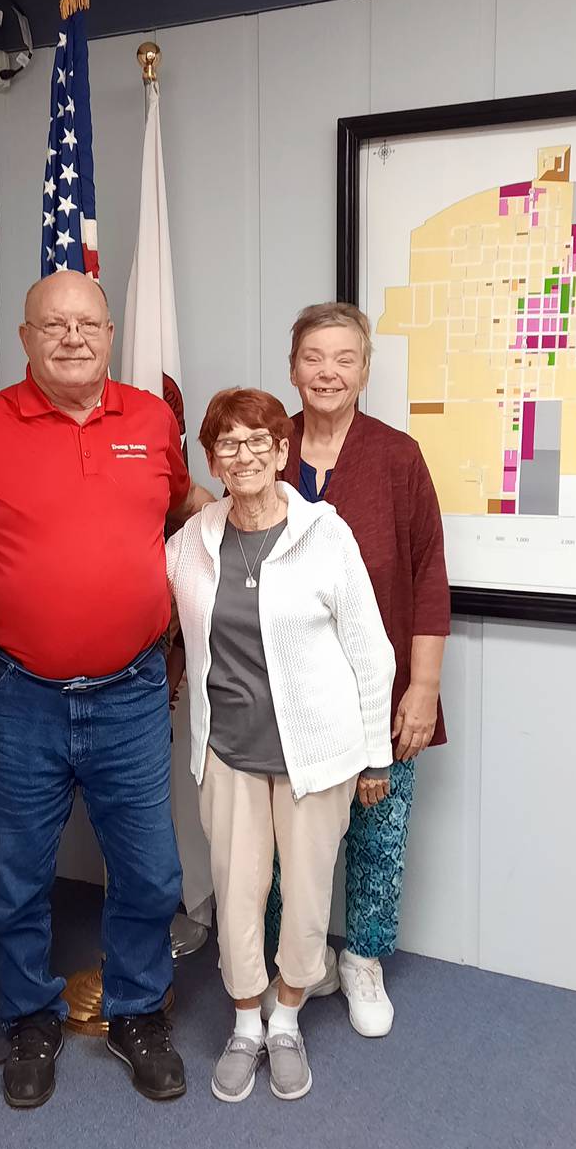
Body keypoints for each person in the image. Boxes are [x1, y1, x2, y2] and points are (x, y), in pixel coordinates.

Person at [0, 270, 212, 1107]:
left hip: (129, 691)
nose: (73, 338)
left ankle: (134, 1012)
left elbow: (181, 504)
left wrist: (254, 507)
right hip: (21, 695)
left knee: (153, 873)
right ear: (25, 340)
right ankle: (28, 1019)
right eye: (53, 326)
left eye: (88, 323)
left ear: (111, 332)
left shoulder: (153, 418)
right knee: (15, 877)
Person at [166, 388, 395, 1103]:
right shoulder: (192, 543)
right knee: (237, 894)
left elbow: (370, 650)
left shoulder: (325, 535)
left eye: (259, 441)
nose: (245, 456)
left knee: (304, 896)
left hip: (316, 759)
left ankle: (288, 1019)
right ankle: (244, 1024)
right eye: (228, 444)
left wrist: (375, 754)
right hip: (228, 753)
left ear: (282, 451)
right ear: (211, 458)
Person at [274, 302, 450, 1037]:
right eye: (314, 356)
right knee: (293, 841)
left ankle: (364, 961)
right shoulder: (266, 445)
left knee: (378, 835)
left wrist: (424, 685)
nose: (328, 372)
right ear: (293, 367)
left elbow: (429, 572)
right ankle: (300, 960)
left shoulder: (397, 455)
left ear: (365, 371)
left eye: (345, 358)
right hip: (292, 694)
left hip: (383, 692)